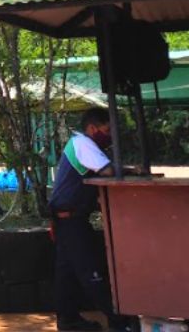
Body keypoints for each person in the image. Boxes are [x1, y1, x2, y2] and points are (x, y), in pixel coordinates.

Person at [49, 108, 133, 332]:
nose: (110, 136)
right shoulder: (82, 143)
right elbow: (107, 171)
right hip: (70, 218)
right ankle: (120, 322)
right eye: (107, 130)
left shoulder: (86, 146)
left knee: (66, 272)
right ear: (92, 128)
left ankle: (68, 320)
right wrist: (134, 171)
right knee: (91, 272)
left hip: (68, 217)